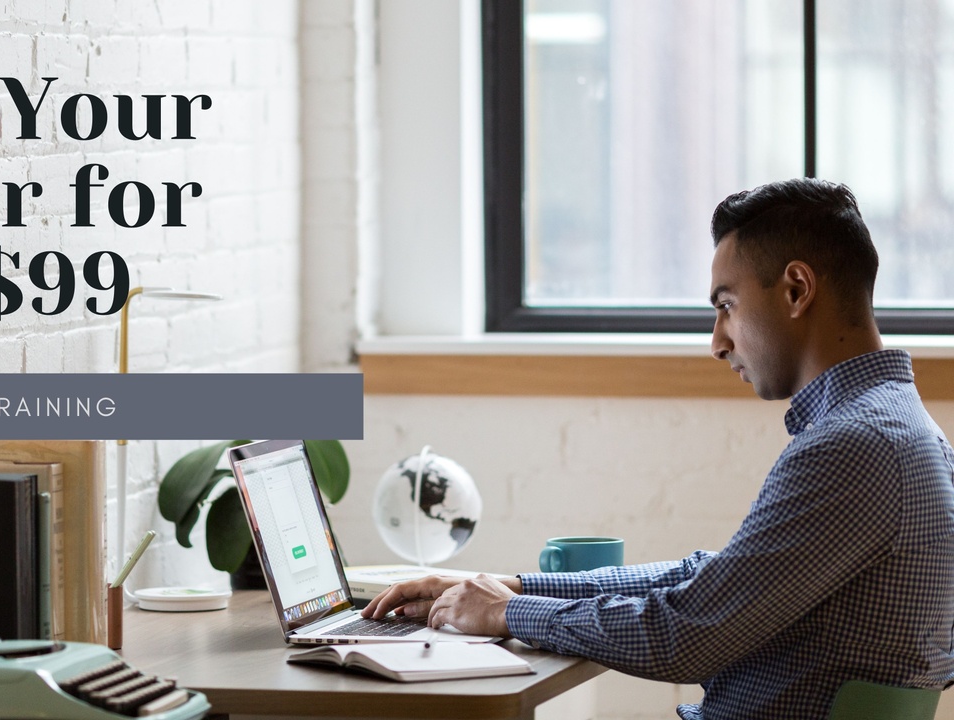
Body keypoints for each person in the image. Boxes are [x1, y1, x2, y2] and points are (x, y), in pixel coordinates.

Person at [362, 178, 954, 719]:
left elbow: (686, 637)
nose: (718, 342)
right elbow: (713, 581)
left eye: (727, 305)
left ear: (797, 289)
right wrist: (515, 587)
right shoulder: (903, 431)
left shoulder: (854, 447)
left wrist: (506, 614)